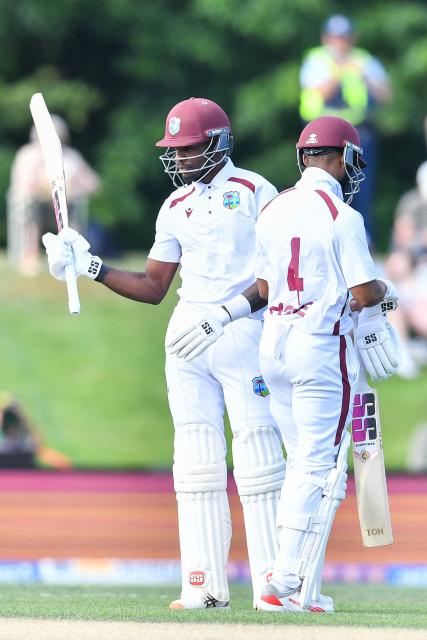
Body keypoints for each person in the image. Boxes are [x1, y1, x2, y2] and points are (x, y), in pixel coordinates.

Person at [41, 97, 305, 611]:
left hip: (243, 330)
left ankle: (275, 588)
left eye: (189, 148)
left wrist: (227, 312)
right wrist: (88, 265)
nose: (180, 159)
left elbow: (278, 277)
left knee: (256, 456)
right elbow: (153, 286)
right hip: (188, 336)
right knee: (195, 462)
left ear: (218, 143)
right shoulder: (174, 206)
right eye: (175, 149)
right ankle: (203, 586)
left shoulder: (256, 191)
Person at [170, 115, 401, 613]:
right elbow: (362, 291)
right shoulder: (343, 216)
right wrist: (386, 295)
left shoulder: (273, 209)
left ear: (302, 158)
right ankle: (284, 577)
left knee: (302, 466)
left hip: (272, 345)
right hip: (320, 348)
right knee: (318, 466)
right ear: (344, 159)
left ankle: (302, 590)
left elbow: (267, 289)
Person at [299, 14, 392, 244]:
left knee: (361, 188)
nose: (340, 43)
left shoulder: (364, 60)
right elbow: (319, 92)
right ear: (326, 38)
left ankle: (362, 241)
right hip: (321, 138)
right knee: (319, 187)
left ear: (352, 39)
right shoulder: (316, 60)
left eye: (344, 38)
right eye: (335, 38)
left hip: (357, 134)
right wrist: (340, 71)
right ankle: (318, 238)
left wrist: (365, 76)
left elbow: (386, 95)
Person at [7, 115, 101, 276]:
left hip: (65, 207)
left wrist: (76, 188)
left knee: (73, 207)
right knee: (30, 205)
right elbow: (20, 186)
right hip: (34, 206)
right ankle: (30, 256)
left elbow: (94, 184)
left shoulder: (71, 157)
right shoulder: (27, 156)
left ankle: (75, 257)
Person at [384, 160, 427, 378]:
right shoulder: (412, 204)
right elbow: (401, 253)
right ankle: (403, 351)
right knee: (395, 299)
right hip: (412, 275)